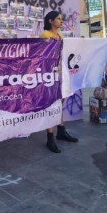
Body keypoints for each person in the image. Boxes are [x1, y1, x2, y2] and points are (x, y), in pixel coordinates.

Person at [40, 11, 78, 153]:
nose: (61, 21)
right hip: (50, 73)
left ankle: (61, 130)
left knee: (60, 102)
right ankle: (50, 136)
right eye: (58, 19)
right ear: (50, 21)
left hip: (60, 71)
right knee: (52, 104)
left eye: (62, 19)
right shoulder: (45, 35)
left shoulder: (59, 35)